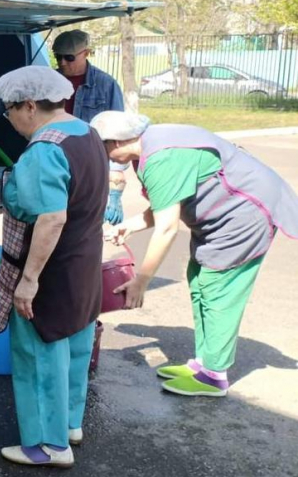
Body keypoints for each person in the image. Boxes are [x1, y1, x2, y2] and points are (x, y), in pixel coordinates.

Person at [92, 111, 298, 397]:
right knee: (199, 280)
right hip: (223, 216)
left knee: (218, 289)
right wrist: (129, 226)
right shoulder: (147, 148)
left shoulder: (161, 158)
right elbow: (168, 202)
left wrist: (142, 280)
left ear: (114, 142)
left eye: (100, 147)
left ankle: (214, 376)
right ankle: (204, 363)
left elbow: (167, 228)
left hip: (244, 215)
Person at [0, 66, 108, 468]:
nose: (10, 120)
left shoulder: (45, 150)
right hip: (84, 265)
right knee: (73, 349)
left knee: (39, 357)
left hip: (51, 272)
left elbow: (51, 218)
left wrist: (29, 281)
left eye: (10, 111)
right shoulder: (86, 133)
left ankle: (47, 446)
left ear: (30, 105)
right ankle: (70, 425)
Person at [0, 29, 127, 224]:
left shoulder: (107, 85)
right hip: (55, 161)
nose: (63, 63)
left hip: (87, 164)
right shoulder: (47, 83)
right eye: (58, 57)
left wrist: (115, 185)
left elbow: (118, 130)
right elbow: (7, 101)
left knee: (82, 220)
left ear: (86, 53)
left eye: (69, 57)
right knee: (51, 216)